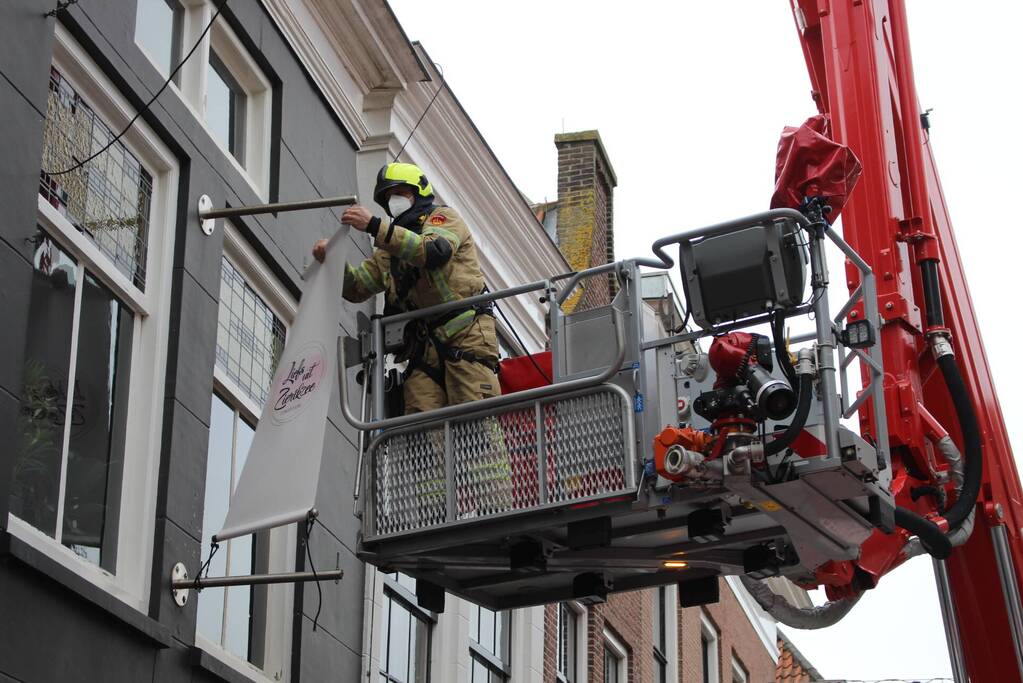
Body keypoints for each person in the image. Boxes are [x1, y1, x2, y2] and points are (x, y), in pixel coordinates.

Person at [313, 162, 501, 414]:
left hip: (466, 335)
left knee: (476, 423)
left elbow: (433, 251)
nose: (394, 201)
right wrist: (334, 262)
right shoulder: (389, 252)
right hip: (425, 349)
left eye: (401, 193)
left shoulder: (443, 219)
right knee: (419, 426)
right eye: (389, 197)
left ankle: (487, 456)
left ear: (419, 193)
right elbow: (358, 287)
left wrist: (374, 226)